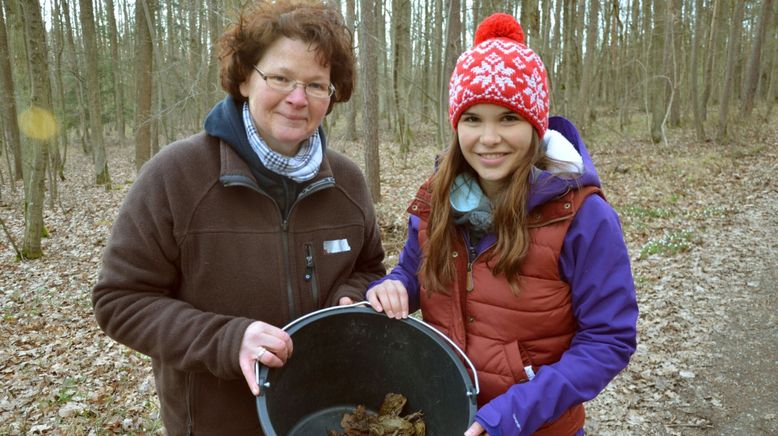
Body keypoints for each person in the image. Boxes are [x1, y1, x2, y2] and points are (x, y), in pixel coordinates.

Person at [92, 1, 385, 434]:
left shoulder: (347, 182)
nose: (298, 98)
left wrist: (349, 296)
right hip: (217, 421)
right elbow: (120, 300)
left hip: (324, 417)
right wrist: (229, 341)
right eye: (281, 78)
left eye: (316, 85)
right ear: (246, 78)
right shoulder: (178, 175)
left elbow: (368, 268)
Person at [366, 13, 638, 436]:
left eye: (507, 118)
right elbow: (413, 272)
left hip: (537, 426)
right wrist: (395, 286)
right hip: (442, 417)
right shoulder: (435, 200)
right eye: (473, 119)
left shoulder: (583, 216)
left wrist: (512, 414)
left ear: (535, 123)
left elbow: (608, 340)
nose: (488, 138)